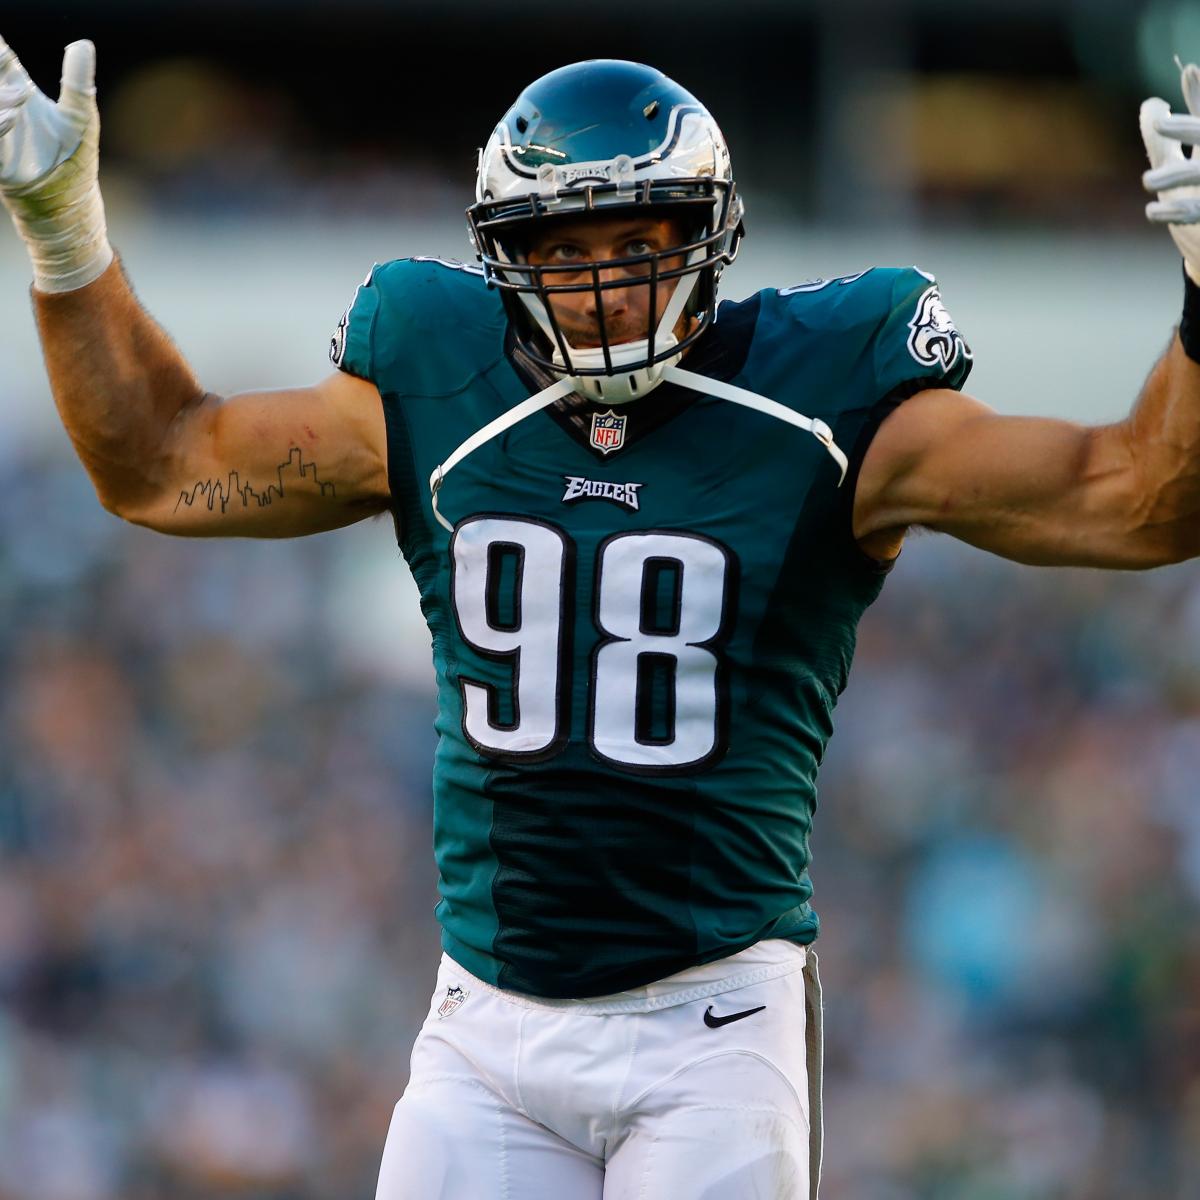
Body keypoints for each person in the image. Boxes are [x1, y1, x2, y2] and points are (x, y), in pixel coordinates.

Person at [2, 35, 1199, 1200]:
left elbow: (1139, 498)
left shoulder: (823, 396)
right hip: (484, 1024)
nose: (609, 281)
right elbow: (159, 465)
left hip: (710, 1025)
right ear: (504, 256)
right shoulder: (431, 377)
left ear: (711, 233)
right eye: (566, 248)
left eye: (643, 238)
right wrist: (65, 233)